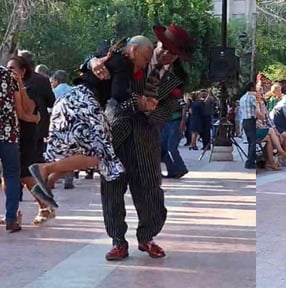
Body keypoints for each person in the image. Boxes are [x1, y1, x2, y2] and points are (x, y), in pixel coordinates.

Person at [92, 24, 195, 261]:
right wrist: (92, 63)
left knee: (150, 189)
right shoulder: (133, 53)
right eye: (164, 47)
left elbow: (167, 110)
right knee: (112, 187)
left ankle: (146, 237)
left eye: (173, 52)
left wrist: (150, 112)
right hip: (116, 131)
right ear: (158, 43)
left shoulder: (178, 78)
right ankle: (118, 240)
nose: (166, 53)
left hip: (146, 135)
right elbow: (100, 63)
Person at [28, 36, 156, 208]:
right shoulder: (124, 62)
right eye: (145, 59)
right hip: (86, 103)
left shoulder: (109, 55)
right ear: (133, 50)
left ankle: (45, 184)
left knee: (74, 154)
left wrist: (91, 61)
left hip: (70, 100)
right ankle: (45, 170)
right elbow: (118, 94)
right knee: (98, 156)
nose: (145, 64)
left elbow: (87, 63)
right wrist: (139, 101)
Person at [6, 56, 55, 225]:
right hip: (11, 133)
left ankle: (44, 206)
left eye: (12, 68)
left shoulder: (30, 86)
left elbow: (28, 109)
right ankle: (14, 212)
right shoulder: (6, 85)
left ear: (23, 70)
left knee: (24, 175)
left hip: (26, 134)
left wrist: (19, 85)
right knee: (11, 175)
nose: (9, 71)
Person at [0, 64, 40, 232]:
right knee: (11, 175)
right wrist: (34, 118)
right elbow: (21, 110)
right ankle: (11, 219)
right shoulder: (9, 76)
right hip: (9, 134)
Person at [49, 70, 75, 189]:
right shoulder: (73, 91)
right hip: (72, 125)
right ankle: (69, 180)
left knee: (57, 153)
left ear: (56, 80)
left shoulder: (54, 92)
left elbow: (50, 109)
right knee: (71, 153)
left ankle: (53, 179)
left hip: (58, 125)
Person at [239, 82, 257, 169]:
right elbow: (257, 107)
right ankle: (250, 162)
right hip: (251, 120)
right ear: (252, 88)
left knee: (251, 142)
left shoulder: (242, 98)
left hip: (245, 121)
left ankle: (251, 160)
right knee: (253, 142)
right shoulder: (251, 97)